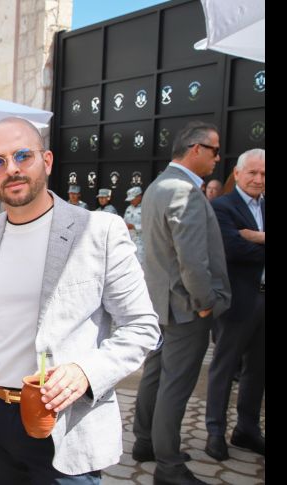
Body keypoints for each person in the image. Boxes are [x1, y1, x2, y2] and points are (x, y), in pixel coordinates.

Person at [0, 117, 160, 483]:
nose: (13, 169)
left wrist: (86, 372)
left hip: (63, 418)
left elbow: (142, 327)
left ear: (46, 161)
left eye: (22, 155)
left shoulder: (99, 231)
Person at [132, 121, 231, 485]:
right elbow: (192, 259)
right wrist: (205, 301)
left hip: (162, 303)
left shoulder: (160, 186)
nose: (218, 159)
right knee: (175, 384)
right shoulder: (184, 191)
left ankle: (146, 442)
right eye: (215, 150)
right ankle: (169, 465)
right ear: (195, 149)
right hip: (185, 307)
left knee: (156, 376)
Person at [204, 149, 265, 461]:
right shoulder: (222, 206)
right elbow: (232, 249)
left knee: (258, 369)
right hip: (238, 300)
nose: (258, 179)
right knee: (224, 367)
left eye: (264, 174)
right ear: (238, 174)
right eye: (252, 173)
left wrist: (257, 236)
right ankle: (215, 431)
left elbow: (247, 245)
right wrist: (247, 241)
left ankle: (247, 430)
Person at [123, 186, 144, 265]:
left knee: (140, 264)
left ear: (139, 197)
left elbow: (148, 224)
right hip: (129, 240)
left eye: (132, 199)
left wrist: (134, 226)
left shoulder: (145, 208)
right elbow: (124, 220)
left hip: (141, 242)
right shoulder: (128, 208)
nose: (131, 201)